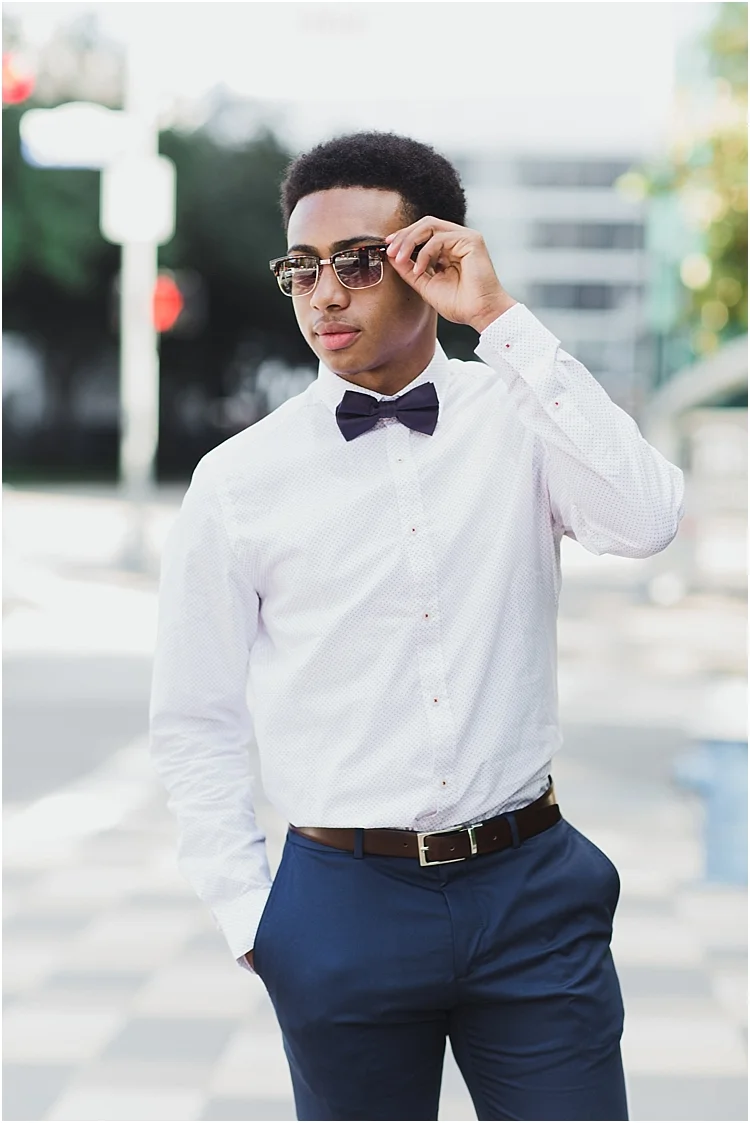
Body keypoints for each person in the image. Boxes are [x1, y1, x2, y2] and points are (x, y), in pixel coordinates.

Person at [149, 131, 684, 1121]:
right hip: (340, 905)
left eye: (360, 262)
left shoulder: (520, 417)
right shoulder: (237, 483)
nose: (327, 293)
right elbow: (195, 717)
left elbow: (648, 519)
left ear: (434, 256)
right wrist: (253, 916)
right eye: (302, 268)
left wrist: (502, 320)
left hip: (531, 891)